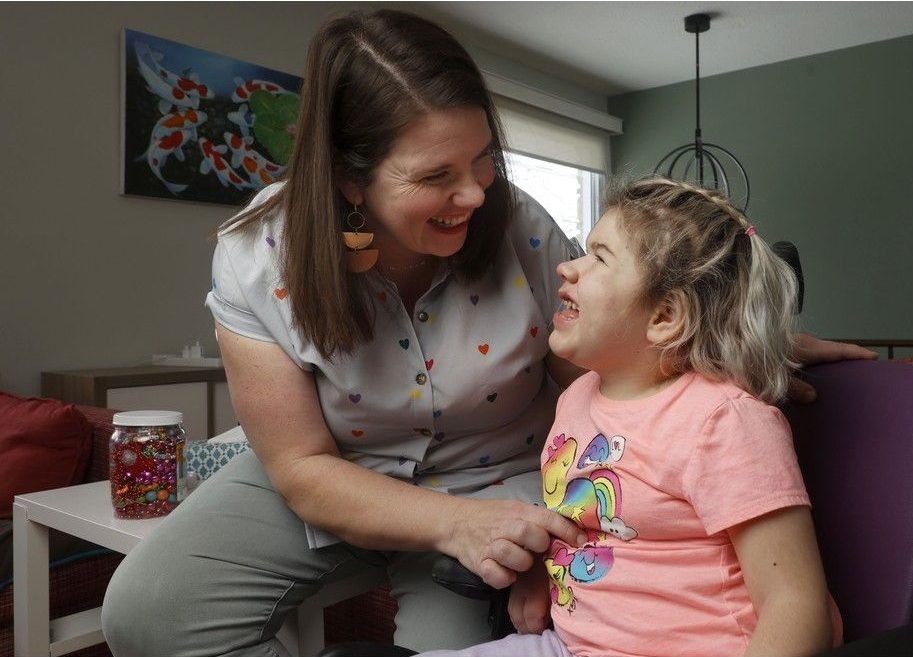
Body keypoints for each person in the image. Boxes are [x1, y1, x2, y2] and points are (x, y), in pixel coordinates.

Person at [101, 10, 872, 657]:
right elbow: (301, 468)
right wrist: (458, 525)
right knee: (147, 611)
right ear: (347, 178)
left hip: (498, 472)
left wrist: (744, 339)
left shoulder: (523, 230)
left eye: (484, 161)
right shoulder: (254, 254)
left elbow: (636, 330)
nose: (474, 193)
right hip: (335, 472)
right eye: (436, 176)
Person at [413, 176, 846, 657]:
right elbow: (588, 518)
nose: (565, 268)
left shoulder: (725, 421)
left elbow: (795, 602)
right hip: (572, 644)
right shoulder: (577, 398)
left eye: (599, 257)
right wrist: (543, 570)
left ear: (665, 317)